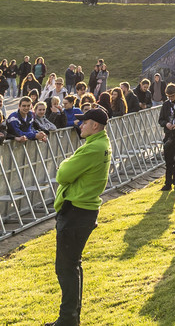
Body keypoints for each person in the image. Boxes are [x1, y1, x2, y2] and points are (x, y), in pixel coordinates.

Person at [46, 107, 112, 326]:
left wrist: (65, 162)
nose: (80, 125)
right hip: (82, 210)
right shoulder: (99, 144)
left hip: (76, 212)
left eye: (84, 122)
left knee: (66, 268)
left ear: (95, 125)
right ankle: (71, 317)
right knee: (72, 265)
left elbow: (62, 174)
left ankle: (67, 319)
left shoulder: (93, 148)